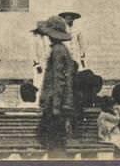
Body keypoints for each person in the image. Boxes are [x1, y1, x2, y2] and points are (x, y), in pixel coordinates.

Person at [36, 15, 77, 159]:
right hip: (58, 104)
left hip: (55, 106)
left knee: (53, 144)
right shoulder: (61, 49)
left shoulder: (58, 51)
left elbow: (59, 80)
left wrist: (55, 107)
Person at [30, 23, 50, 109]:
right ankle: (37, 102)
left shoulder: (45, 38)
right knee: (38, 84)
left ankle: (44, 102)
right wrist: (37, 64)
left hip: (46, 64)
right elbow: (33, 52)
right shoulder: (35, 38)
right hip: (39, 66)